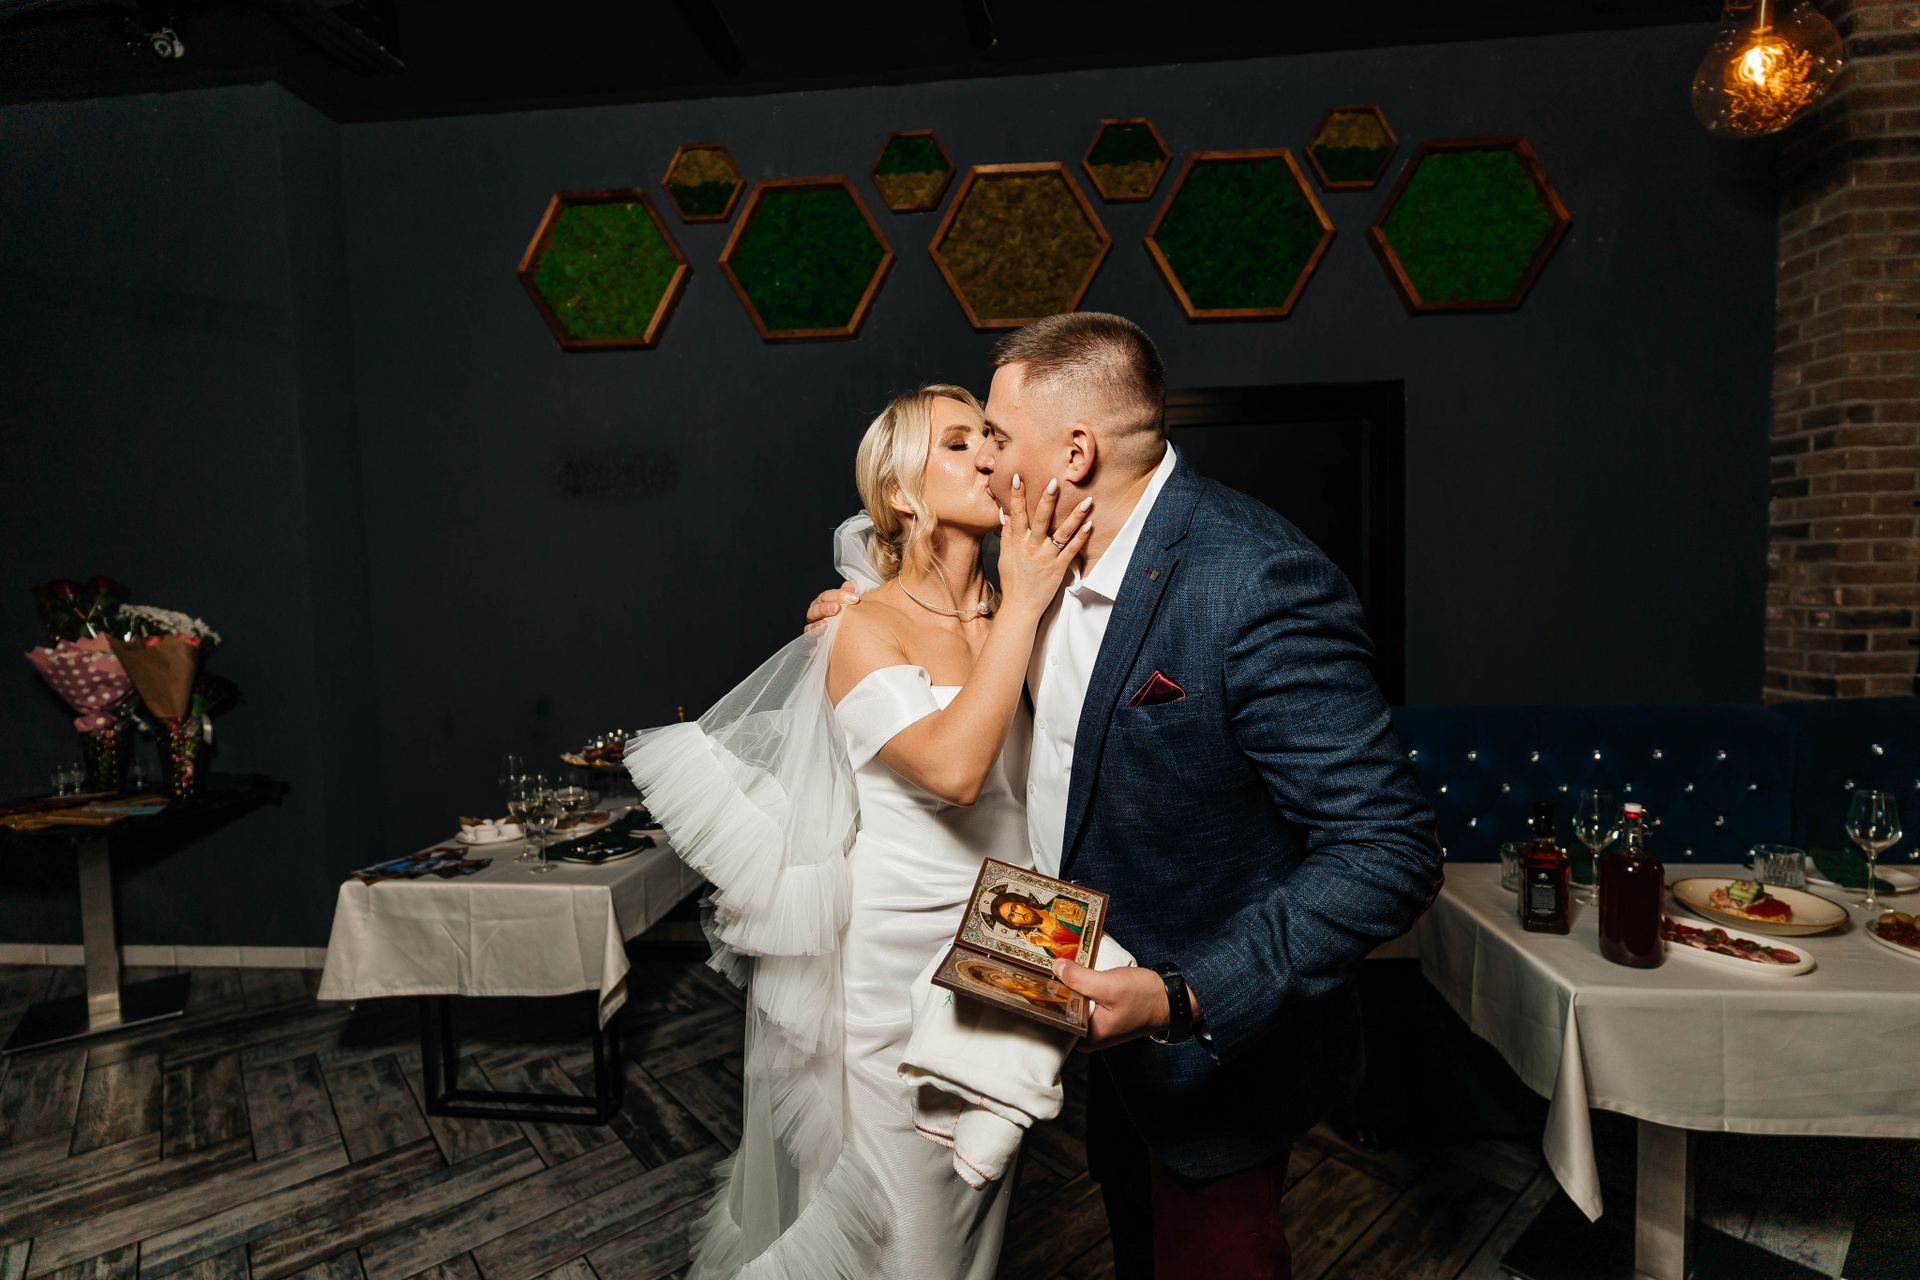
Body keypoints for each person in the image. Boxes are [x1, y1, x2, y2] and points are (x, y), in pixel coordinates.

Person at [806, 313, 1442, 1280]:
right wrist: (864, 608)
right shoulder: (1037, 558)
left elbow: (1390, 849)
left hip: (1213, 1051)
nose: (988, 462)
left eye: (998, 438)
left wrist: (1184, 995)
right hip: (1097, 1028)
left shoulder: (1253, 579)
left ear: (1074, 453)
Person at [628, 384, 1093, 1280]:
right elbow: (955, 772)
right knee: (907, 1236)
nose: (988, 455)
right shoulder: (860, 627)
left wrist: (1025, 603)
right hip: (894, 961)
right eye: (958, 442)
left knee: (977, 1222)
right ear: (899, 494)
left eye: (990, 436)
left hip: (1016, 937)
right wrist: (1024, 607)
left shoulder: (1027, 609)